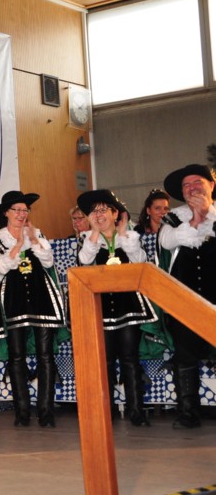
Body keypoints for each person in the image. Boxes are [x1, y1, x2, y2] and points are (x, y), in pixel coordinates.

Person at [0, 190, 65, 427]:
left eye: (24, 210)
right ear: (6, 213)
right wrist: (19, 244)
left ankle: (46, 412)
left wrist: (34, 240)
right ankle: (22, 412)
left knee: (45, 355)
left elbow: (48, 261)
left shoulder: (37, 233)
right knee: (16, 356)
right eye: (16, 210)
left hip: (41, 300)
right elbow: (1, 268)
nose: (21, 214)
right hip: (14, 301)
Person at [76, 189, 155, 426]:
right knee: (106, 361)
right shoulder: (88, 240)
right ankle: (106, 411)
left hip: (127, 306)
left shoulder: (129, 236)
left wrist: (123, 234)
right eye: (94, 211)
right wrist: (94, 232)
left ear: (115, 214)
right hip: (101, 308)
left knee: (129, 359)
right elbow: (83, 261)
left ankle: (136, 411)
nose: (98, 214)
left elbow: (141, 262)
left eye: (103, 210)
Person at [158, 164, 216, 429]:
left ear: (211, 185)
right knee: (185, 356)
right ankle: (188, 412)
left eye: (197, 182)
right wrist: (195, 219)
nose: (191, 188)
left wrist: (208, 215)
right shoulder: (173, 217)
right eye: (186, 185)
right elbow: (167, 242)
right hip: (184, 299)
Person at [135, 189, 169, 262]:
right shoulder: (138, 232)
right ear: (148, 211)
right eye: (158, 208)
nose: (163, 212)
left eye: (166, 208)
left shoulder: (173, 230)